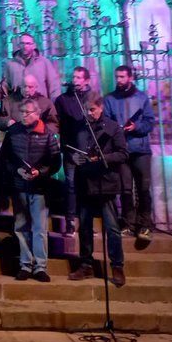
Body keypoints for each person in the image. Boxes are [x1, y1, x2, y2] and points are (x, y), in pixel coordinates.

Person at [69, 95, 129, 286]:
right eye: (86, 110)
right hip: (85, 183)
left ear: (101, 107)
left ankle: (117, 266)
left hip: (106, 183)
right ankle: (86, 264)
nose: (89, 113)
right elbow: (73, 151)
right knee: (85, 227)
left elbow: (122, 153)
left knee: (111, 228)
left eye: (92, 110)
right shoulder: (80, 128)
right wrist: (75, 158)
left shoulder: (112, 128)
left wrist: (104, 158)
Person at [0, 100, 61, 282]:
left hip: (39, 188)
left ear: (37, 113)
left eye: (27, 112)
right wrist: (16, 170)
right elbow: (5, 158)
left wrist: (40, 172)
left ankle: (40, 266)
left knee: (39, 228)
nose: (23, 115)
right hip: (20, 187)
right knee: (21, 227)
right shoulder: (14, 132)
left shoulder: (48, 134)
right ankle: (25, 265)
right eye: (22, 112)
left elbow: (56, 162)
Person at [103, 64, 156, 242]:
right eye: (117, 77)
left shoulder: (142, 98)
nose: (119, 80)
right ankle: (128, 223)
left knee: (143, 188)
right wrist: (117, 131)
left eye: (122, 77)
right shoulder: (109, 99)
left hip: (140, 150)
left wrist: (136, 127)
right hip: (122, 150)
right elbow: (107, 122)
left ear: (130, 78)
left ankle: (145, 224)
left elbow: (150, 122)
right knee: (125, 189)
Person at [54, 66, 99, 234]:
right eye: (74, 77)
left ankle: (87, 222)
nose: (75, 80)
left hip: (89, 150)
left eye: (79, 77)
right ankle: (70, 221)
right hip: (70, 148)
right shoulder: (62, 100)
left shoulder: (93, 98)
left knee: (87, 186)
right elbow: (58, 123)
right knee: (71, 185)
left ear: (86, 80)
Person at [1, 33, 61, 102]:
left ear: (34, 46)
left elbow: (54, 85)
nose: (25, 46)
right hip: (17, 106)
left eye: (28, 43)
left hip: (40, 106)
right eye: (22, 43)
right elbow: (5, 86)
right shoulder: (10, 64)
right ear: (19, 45)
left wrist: (53, 105)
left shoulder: (44, 63)